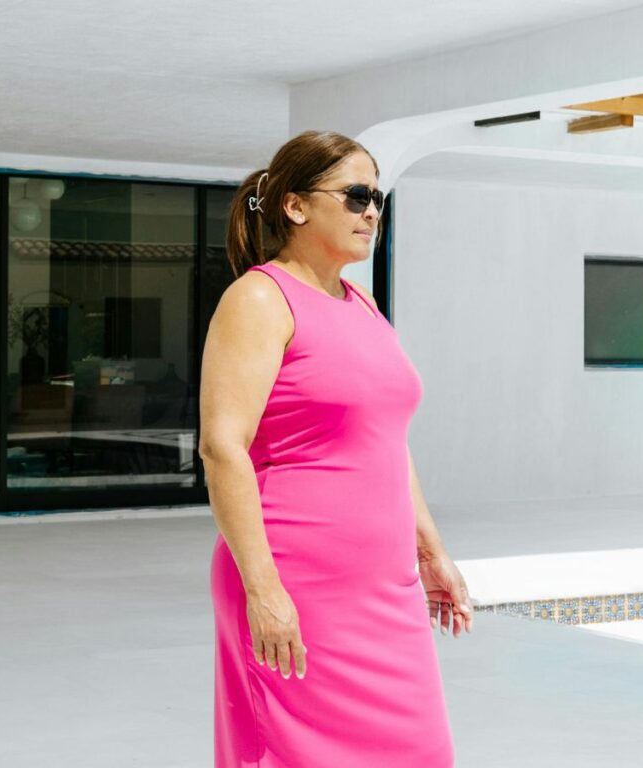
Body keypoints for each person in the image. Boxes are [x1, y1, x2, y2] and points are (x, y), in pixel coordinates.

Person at [199, 129, 473, 767]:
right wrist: (263, 590)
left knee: (420, 753)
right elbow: (223, 448)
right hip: (295, 582)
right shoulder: (260, 299)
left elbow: (385, 442)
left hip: (384, 588)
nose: (372, 211)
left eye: (377, 197)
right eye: (355, 196)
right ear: (295, 206)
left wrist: (431, 553)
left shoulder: (363, 305)